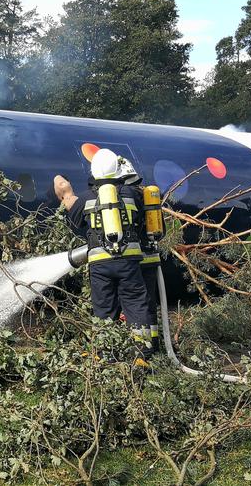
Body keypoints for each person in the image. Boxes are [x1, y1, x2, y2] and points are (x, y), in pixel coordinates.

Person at [53, 149, 153, 359]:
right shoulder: (133, 195)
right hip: (128, 262)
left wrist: (66, 193)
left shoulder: (86, 199)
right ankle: (143, 353)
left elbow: (74, 219)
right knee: (136, 303)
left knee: (104, 309)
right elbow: (145, 217)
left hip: (100, 266)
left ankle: (107, 354)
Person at [115, 157, 162, 353]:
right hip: (151, 259)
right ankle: (152, 348)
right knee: (148, 306)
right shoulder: (148, 196)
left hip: (132, 260)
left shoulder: (122, 197)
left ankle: (135, 349)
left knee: (130, 306)